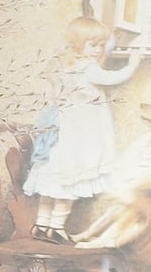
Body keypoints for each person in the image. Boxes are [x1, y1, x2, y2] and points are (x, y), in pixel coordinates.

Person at [24, 15, 141, 241]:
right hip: (80, 136)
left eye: (100, 45)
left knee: (53, 181)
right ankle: (56, 227)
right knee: (71, 181)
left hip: (66, 131)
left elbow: (99, 57)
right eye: (93, 45)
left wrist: (111, 41)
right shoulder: (89, 68)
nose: (98, 50)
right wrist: (132, 65)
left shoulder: (70, 65)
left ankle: (40, 225)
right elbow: (112, 77)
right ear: (79, 45)